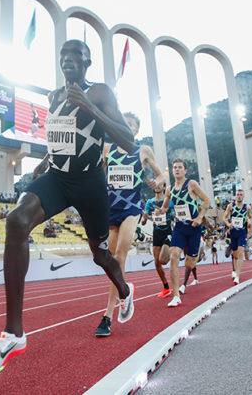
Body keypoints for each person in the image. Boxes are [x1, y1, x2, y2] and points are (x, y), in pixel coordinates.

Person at [0, 40, 136, 375]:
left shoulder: (101, 91)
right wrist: (47, 159)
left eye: (74, 56)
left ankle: (123, 289)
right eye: (63, 56)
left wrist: (90, 107)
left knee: (100, 254)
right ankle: (13, 334)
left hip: (91, 183)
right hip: (59, 178)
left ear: (87, 61)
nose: (67, 61)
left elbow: (127, 140)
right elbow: (64, 135)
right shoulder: (53, 97)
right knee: (17, 221)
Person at [95, 113, 167, 337]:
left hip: (131, 208)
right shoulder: (107, 149)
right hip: (110, 208)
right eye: (123, 123)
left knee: (119, 255)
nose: (127, 127)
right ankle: (126, 291)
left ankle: (107, 316)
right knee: (108, 260)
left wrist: (159, 181)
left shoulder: (142, 150)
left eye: (132, 125)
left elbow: (162, 173)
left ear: (136, 130)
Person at [161, 159, 210, 308]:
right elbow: (164, 207)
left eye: (180, 167)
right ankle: (176, 296)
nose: (177, 170)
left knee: (190, 263)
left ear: (185, 170)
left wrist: (200, 217)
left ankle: (199, 251)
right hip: (179, 228)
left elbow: (206, 200)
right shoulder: (169, 189)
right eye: (174, 167)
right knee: (174, 256)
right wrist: (158, 211)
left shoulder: (191, 184)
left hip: (194, 228)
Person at [142, 183, 175, 295]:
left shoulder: (169, 202)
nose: (157, 186)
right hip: (156, 233)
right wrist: (144, 218)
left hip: (168, 232)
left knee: (163, 260)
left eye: (159, 185)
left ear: (164, 187)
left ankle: (172, 253)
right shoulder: (149, 202)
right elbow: (144, 219)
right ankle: (166, 287)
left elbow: (175, 214)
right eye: (155, 185)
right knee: (157, 263)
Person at [223, 189, 252, 284]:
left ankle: (237, 277)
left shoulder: (247, 207)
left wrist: (249, 222)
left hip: (242, 232)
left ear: (243, 196)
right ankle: (234, 270)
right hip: (232, 233)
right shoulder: (231, 206)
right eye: (238, 194)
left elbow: (250, 217)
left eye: (241, 195)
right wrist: (228, 223)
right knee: (235, 255)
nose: (239, 196)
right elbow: (224, 217)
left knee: (240, 254)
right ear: (236, 196)